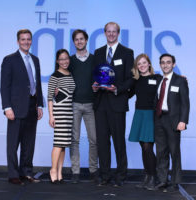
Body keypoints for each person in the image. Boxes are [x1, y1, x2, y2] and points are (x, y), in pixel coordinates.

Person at [92, 22, 134, 187]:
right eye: (108, 32)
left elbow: (132, 78)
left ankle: (121, 175)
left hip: (117, 103)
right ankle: (105, 175)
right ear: (104, 33)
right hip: (101, 103)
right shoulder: (98, 52)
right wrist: (94, 86)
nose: (111, 34)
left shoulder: (127, 53)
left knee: (118, 141)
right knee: (102, 142)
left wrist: (118, 89)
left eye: (113, 32)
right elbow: (94, 75)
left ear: (118, 33)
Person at [0, 29, 44, 185]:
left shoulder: (35, 60)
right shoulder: (9, 60)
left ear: (31, 41)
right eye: (23, 39)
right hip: (16, 108)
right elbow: (4, 86)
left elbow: (37, 83)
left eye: (28, 39)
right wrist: (7, 107)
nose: (26, 42)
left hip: (32, 106)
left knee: (29, 142)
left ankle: (26, 172)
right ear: (18, 41)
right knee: (13, 143)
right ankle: (13, 174)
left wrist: (40, 105)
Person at [154, 53, 190, 193]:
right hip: (159, 119)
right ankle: (163, 180)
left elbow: (185, 103)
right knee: (161, 151)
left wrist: (183, 121)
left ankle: (175, 181)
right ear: (160, 65)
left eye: (168, 62)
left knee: (174, 152)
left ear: (173, 64)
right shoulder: (158, 79)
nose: (165, 65)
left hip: (173, 120)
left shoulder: (180, 81)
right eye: (163, 62)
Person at [128, 54, 162, 190]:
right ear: (137, 67)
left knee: (148, 147)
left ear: (149, 64)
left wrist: (181, 80)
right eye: (139, 64)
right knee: (143, 147)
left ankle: (154, 177)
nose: (141, 65)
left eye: (144, 63)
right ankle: (147, 176)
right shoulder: (135, 81)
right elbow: (127, 94)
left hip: (151, 115)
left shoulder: (157, 78)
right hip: (139, 114)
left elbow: (170, 83)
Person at [69, 29, 98, 183]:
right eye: (76, 39)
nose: (79, 41)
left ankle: (93, 170)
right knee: (74, 140)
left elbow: (103, 78)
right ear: (74, 42)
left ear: (86, 40)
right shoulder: (70, 61)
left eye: (82, 39)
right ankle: (75, 172)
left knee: (94, 139)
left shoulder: (95, 59)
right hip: (74, 104)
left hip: (91, 105)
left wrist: (98, 84)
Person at [48, 49, 75, 184]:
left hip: (69, 112)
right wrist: (51, 116)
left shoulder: (70, 74)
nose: (64, 61)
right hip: (59, 112)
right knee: (58, 143)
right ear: (57, 61)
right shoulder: (55, 76)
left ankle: (59, 172)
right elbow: (49, 97)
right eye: (61, 59)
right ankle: (53, 170)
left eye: (66, 58)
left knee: (64, 144)